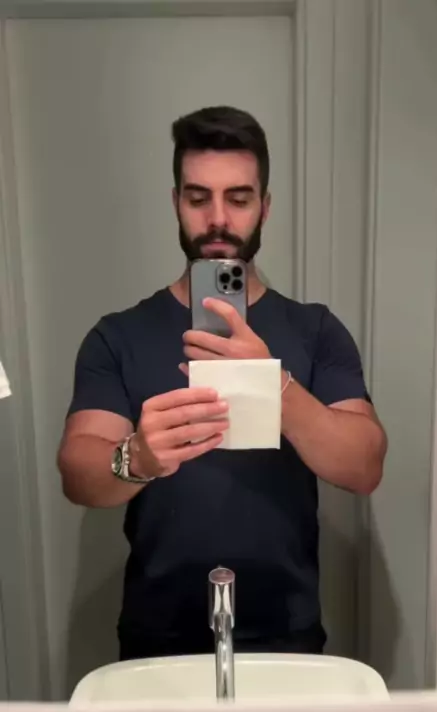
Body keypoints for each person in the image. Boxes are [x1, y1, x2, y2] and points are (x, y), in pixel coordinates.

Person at [58, 105, 387, 661]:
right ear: (176, 203)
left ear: (264, 207)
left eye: (238, 199)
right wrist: (137, 456)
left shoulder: (315, 330)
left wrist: (274, 385)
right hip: (157, 637)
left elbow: (365, 465)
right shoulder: (118, 336)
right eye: (198, 198)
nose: (217, 219)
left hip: (287, 633)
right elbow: (77, 473)